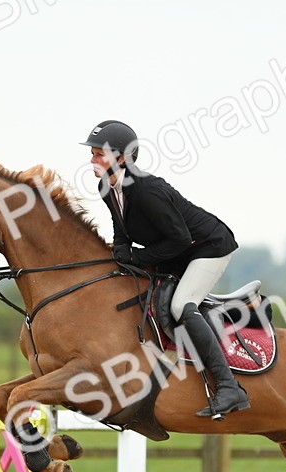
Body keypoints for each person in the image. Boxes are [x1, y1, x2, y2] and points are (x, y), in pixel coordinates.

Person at [81, 119, 249, 418]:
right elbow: (122, 228)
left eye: (98, 154)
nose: (92, 160)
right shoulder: (107, 186)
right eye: (92, 154)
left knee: (181, 305)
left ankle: (229, 387)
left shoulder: (147, 191)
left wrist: (136, 257)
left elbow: (181, 239)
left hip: (208, 247)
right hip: (178, 249)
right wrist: (120, 252)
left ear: (121, 157)